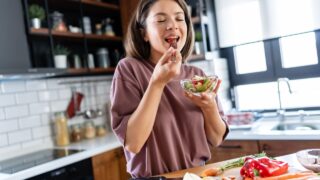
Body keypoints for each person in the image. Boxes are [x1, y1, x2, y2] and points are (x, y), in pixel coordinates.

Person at [110, 0, 229, 178]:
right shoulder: (129, 69)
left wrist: (209, 106)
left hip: (197, 176)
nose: (172, 25)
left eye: (179, 19)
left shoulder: (196, 75)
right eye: (160, 20)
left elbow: (216, 138)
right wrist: (157, 83)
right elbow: (133, 143)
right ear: (144, 33)